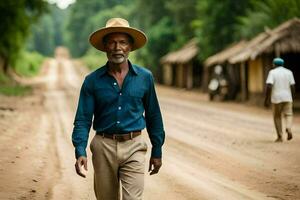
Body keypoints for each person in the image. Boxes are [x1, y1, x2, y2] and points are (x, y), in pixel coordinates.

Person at [72, 18, 165, 200]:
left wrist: (157, 149)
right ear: (105, 47)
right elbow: (83, 119)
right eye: (112, 42)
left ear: (130, 46)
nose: (117, 47)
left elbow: (153, 115)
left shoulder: (145, 78)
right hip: (103, 146)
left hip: (135, 146)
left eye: (122, 42)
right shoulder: (92, 81)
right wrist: (80, 150)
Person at [264, 57, 295, 142]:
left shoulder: (272, 72)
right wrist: (293, 96)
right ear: (283, 64)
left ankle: (280, 136)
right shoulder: (289, 72)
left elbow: (269, 85)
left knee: (277, 116)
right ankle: (288, 128)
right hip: (288, 97)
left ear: (274, 64)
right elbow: (292, 86)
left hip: (276, 98)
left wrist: (266, 99)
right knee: (288, 114)